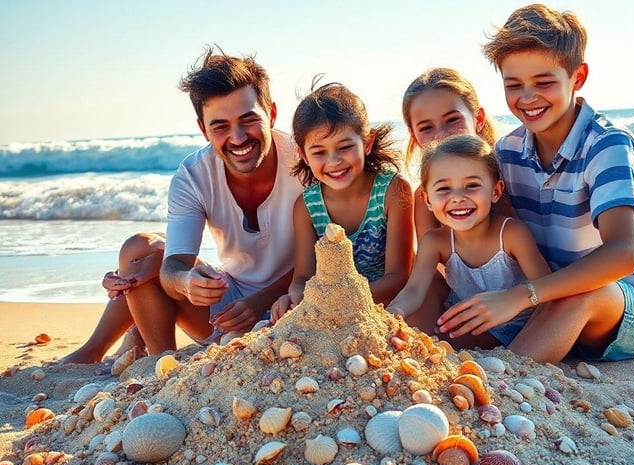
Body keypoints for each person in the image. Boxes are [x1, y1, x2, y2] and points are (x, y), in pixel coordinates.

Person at [440, 4, 634, 362]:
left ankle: (508, 381)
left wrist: (522, 296)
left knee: (579, 292)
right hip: (539, 296)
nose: (527, 98)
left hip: (618, 305)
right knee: (447, 310)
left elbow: (624, 254)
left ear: (577, 77)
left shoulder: (608, 145)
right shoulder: (508, 151)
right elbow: (492, 231)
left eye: (544, 83)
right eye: (513, 86)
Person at [63, 48, 303, 363]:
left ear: (270, 114)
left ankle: (128, 339)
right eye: (220, 127)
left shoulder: (306, 162)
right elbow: (174, 266)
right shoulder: (193, 176)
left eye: (249, 120)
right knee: (139, 252)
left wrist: (262, 301)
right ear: (203, 129)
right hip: (225, 307)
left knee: (149, 266)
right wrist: (187, 282)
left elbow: (330, 256)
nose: (238, 137)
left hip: (294, 298)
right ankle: (161, 365)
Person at [387, 134, 549, 349]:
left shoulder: (510, 233)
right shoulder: (436, 241)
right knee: (416, 332)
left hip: (515, 326)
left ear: (495, 191)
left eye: (471, 185)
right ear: (427, 200)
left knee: (441, 344)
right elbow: (415, 290)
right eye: (444, 189)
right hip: (462, 322)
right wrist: (395, 310)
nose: (458, 197)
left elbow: (546, 287)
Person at [271, 82, 414, 321]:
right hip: (331, 311)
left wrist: (340, 302)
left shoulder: (392, 190)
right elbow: (303, 276)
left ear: (367, 142)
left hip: (386, 306)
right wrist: (295, 296)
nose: (334, 161)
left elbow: (399, 276)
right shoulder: (306, 207)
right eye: (319, 152)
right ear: (303, 154)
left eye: (345, 147)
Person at [401, 67, 497, 242]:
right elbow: (431, 266)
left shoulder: (507, 173)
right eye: (426, 128)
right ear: (414, 135)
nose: (441, 134)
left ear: (479, 119)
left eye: (452, 120)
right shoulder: (426, 199)